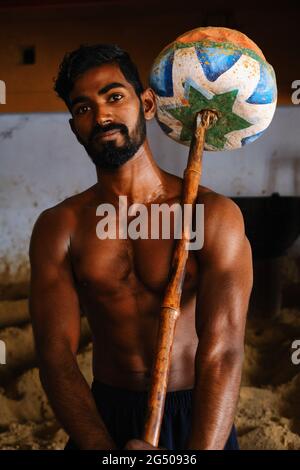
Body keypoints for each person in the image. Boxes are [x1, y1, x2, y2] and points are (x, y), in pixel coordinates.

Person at [29, 44, 253, 451]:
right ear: (73, 127)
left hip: (197, 417)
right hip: (101, 417)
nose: (101, 117)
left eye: (114, 96)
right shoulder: (58, 227)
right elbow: (55, 355)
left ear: (147, 103)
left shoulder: (213, 214)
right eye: (83, 108)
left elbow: (224, 351)